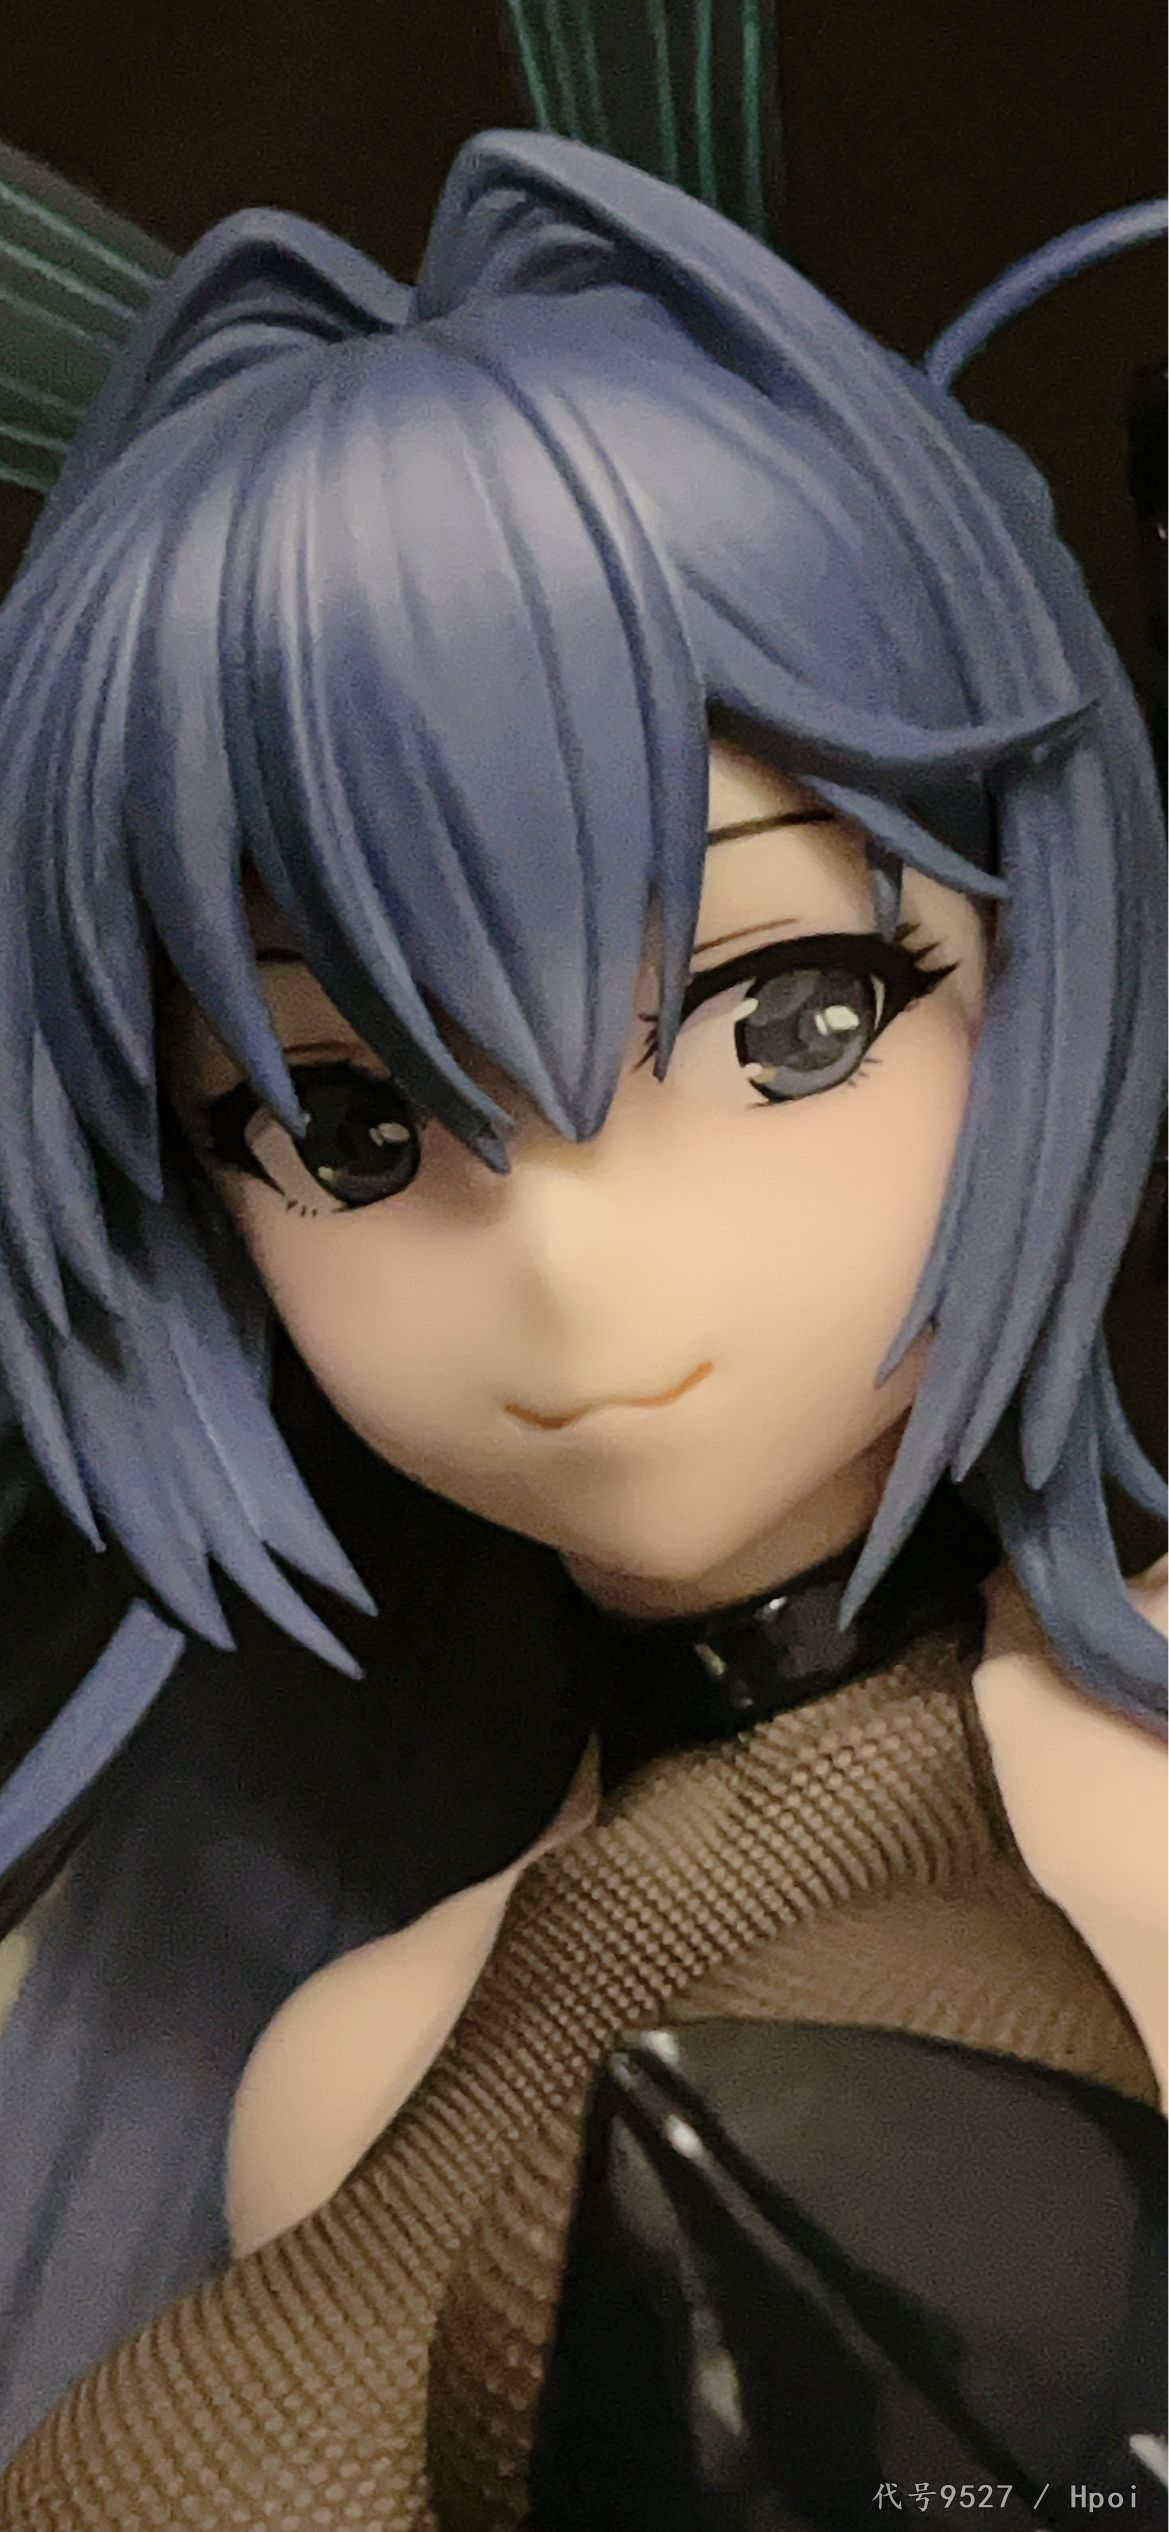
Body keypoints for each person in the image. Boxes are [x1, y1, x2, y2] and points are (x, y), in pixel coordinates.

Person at [0, 130, 1163, 2528]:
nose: (557, 1262)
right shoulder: (344, 2067)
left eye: (787, 1014)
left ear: (1039, 957)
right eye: (341, 1127)